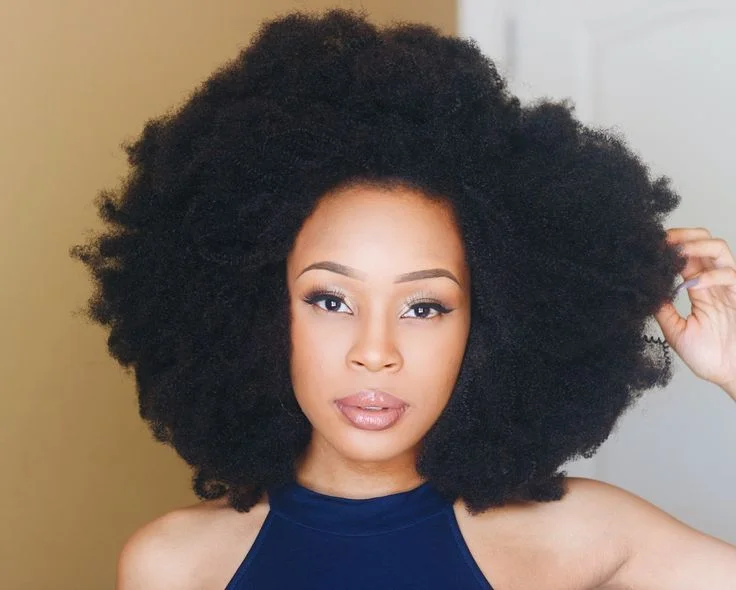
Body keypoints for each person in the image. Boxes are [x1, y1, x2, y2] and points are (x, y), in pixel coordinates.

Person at [69, 7, 736, 589]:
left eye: (424, 307)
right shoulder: (175, 565)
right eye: (330, 300)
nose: (375, 351)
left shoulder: (577, 535)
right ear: (256, 311)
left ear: (492, 324)